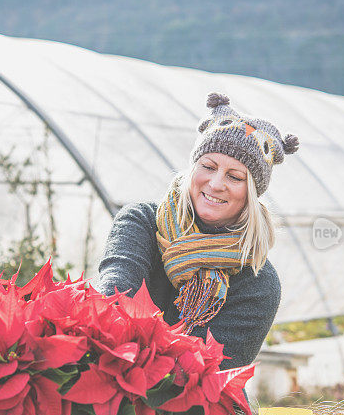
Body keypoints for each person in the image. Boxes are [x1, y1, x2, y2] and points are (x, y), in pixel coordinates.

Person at [96, 92, 299, 370]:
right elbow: (114, 300)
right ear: (193, 169)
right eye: (208, 167)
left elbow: (206, 372)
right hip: (115, 377)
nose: (216, 184)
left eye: (235, 177)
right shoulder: (141, 223)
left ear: (251, 193)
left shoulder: (256, 282)